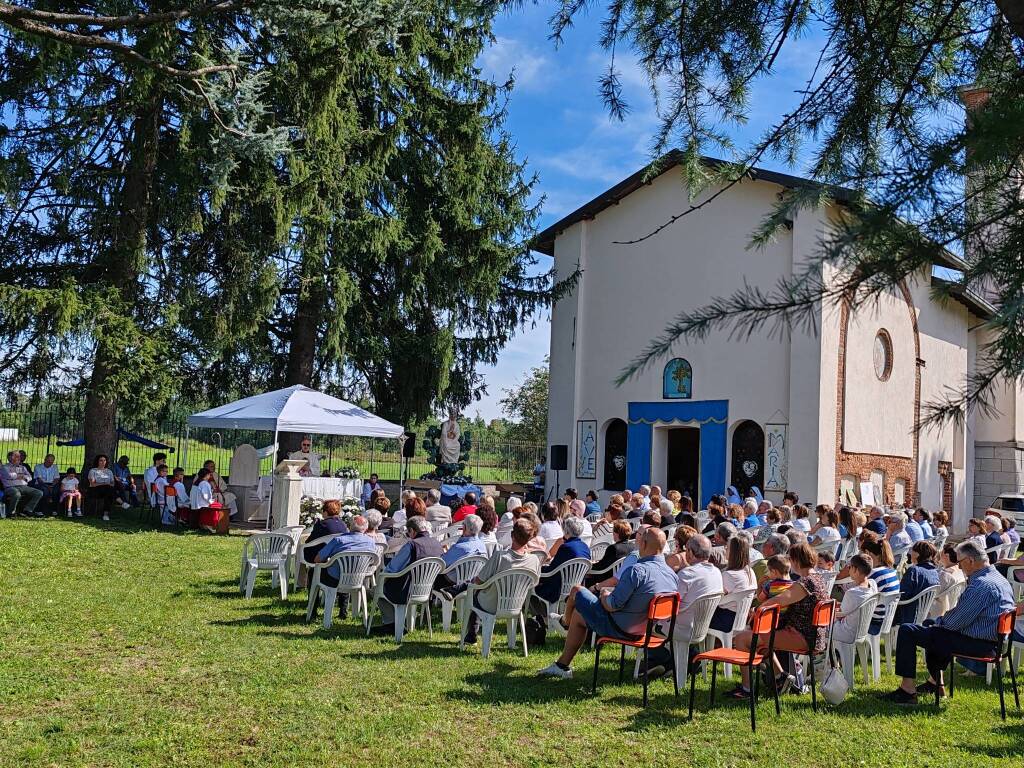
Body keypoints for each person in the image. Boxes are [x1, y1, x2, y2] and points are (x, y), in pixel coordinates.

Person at [884, 540, 1015, 704]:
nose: (959, 567)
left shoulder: (982, 585)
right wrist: (937, 623)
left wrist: (938, 622)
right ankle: (935, 682)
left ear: (970, 561)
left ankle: (907, 690)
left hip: (981, 645)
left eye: (959, 562)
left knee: (907, 630)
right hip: (994, 641)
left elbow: (954, 623)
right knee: (931, 626)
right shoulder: (998, 578)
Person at [538, 527, 677, 679]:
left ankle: (565, 621)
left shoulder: (637, 571)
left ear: (643, 544)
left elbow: (611, 605)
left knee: (577, 590)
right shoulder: (671, 574)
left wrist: (604, 594)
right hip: (645, 630)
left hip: (620, 627)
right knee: (579, 615)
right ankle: (561, 665)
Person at [728, 542, 829, 699]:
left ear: (795, 561)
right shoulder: (819, 579)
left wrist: (757, 611)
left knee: (742, 639)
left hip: (801, 636)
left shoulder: (805, 583)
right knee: (762, 640)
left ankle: (747, 689)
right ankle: (780, 677)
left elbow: (777, 601)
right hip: (813, 635)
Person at [369, 516, 444, 636]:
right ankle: (394, 623)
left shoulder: (412, 545)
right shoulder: (437, 544)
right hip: (427, 590)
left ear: (412, 531)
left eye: (408, 533)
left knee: (375, 590)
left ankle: (391, 624)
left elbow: (393, 568)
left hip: (406, 589)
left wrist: (383, 576)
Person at [313, 515, 378, 620]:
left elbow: (318, 559)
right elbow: (374, 561)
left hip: (335, 580)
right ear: (366, 528)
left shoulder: (339, 540)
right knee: (345, 570)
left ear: (349, 526)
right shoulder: (371, 542)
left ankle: (312, 610)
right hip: (359, 579)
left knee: (316, 571)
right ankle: (343, 611)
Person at [533, 516, 591, 617]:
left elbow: (551, 571)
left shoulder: (566, 547)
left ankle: (542, 618)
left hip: (558, 588)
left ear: (566, 532)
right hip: (577, 585)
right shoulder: (585, 547)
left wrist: (539, 569)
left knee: (532, 589)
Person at [709, 535, 757, 633]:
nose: (725, 548)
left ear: (733, 552)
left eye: (727, 547)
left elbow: (714, 598)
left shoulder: (729, 575)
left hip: (725, 620)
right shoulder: (750, 571)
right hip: (740, 619)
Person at [832, 554, 878, 644]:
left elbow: (839, 615)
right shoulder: (873, 584)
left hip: (846, 633)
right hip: (861, 630)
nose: (848, 569)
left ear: (856, 570)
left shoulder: (852, 592)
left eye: (849, 567)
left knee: (818, 625)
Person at [895, 541, 940, 625]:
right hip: (922, 616)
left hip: (905, 615)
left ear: (917, 554)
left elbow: (902, 595)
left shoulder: (914, 570)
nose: (910, 553)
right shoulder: (934, 572)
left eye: (912, 550)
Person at [861, 538, 900, 635]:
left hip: (872, 623)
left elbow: (861, 598)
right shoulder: (892, 572)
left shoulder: (873, 574)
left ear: (867, 553)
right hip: (886, 621)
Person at [587, 520, 636, 585]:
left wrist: (588, 565)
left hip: (606, 579)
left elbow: (600, 567)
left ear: (616, 534)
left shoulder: (613, 548)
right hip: (624, 579)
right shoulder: (633, 547)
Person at [1, 450, 43, 517]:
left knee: (39, 492)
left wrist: (24, 477)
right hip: (10, 487)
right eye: (17, 456)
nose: (19, 458)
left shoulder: (23, 467)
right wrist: (20, 476)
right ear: (11, 458)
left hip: (23, 486)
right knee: (16, 493)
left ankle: (28, 510)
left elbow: (30, 477)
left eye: (19, 456)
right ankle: (11, 513)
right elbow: (9, 476)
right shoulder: (4, 467)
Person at [87, 454, 117, 521]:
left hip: (107, 490)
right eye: (101, 460)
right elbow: (93, 484)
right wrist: (105, 484)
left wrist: (105, 484)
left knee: (108, 493)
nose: (103, 462)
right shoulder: (93, 471)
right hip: (95, 490)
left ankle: (105, 514)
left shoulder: (109, 471)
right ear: (97, 461)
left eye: (104, 460)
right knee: (108, 489)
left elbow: (112, 483)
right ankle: (120, 500)